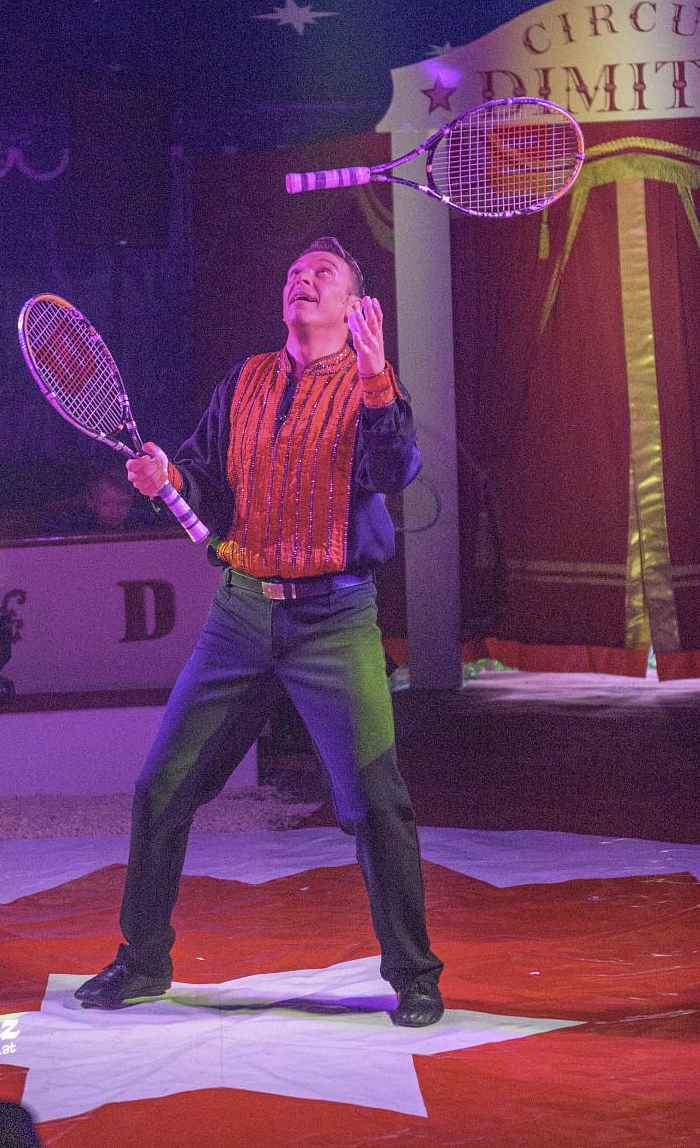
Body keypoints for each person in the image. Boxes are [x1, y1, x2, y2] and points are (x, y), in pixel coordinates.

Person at [75, 237, 444, 1027]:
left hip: (333, 620)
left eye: (322, 275)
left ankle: (414, 976)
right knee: (161, 788)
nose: (302, 280)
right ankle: (142, 960)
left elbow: (394, 472)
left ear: (354, 307)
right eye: (294, 273)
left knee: (375, 802)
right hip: (240, 615)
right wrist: (168, 479)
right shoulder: (243, 380)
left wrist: (377, 378)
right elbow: (209, 488)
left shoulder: (372, 387)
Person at [43, 465, 162, 536]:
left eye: (123, 503)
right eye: (106, 503)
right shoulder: (75, 525)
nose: (115, 510)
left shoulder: (144, 523)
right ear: (91, 502)